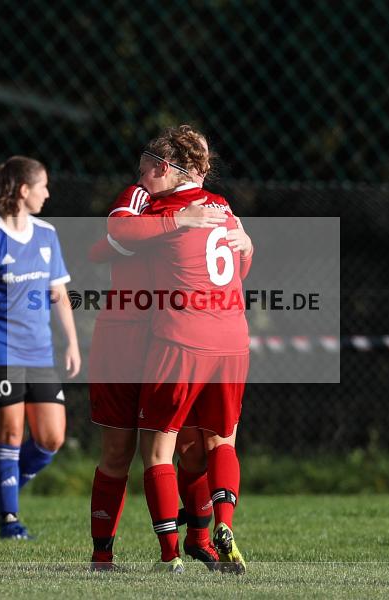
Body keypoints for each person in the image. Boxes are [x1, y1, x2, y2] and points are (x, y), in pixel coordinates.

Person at [87, 128, 229, 571]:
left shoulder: (208, 206)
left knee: (190, 446)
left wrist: (246, 245)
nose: (141, 173)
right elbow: (105, 243)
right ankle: (102, 555)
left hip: (173, 340)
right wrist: (174, 222)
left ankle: (198, 539)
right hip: (124, 340)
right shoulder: (141, 196)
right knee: (118, 451)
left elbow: (228, 261)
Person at [115, 128, 252, 574]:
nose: (140, 181)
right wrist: (248, 244)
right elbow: (239, 265)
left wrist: (170, 222)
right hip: (232, 338)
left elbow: (113, 238)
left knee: (157, 451)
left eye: (145, 172)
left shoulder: (160, 208)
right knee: (221, 439)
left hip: (180, 338)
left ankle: (169, 555)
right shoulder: (224, 207)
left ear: (163, 169)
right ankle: (224, 526)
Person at [0, 156, 80, 540]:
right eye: (43, 185)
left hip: (41, 352)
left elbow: (59, 294)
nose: (48, 193)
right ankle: (9, 519)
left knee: (50, 439)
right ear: (24, 191)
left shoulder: (47, 235)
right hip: (1, 350)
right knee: (10, 434)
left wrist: (71, 343)